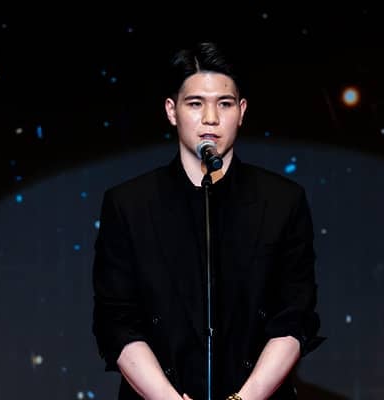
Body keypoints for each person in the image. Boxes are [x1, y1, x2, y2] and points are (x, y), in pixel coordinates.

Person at [92, 41, 324, 400]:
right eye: (196, 103)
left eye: (225, 104)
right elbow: (117, 323)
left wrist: (244, 398)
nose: (211, 118)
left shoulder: (282, 201)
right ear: (172, 111)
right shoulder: (128, 205)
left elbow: (294, 318)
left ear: (241, 111)